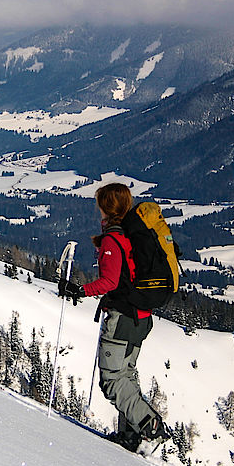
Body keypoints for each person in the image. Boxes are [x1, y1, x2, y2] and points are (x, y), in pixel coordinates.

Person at [61, 183, 170, 452]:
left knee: (112, 380)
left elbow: (109, 281)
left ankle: (150, 427)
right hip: (140, 316)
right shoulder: (132, 233)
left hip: (122, 317)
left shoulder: (113, 239)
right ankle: (130, 437)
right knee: (126, 375)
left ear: (106, 207)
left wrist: (80, 290)